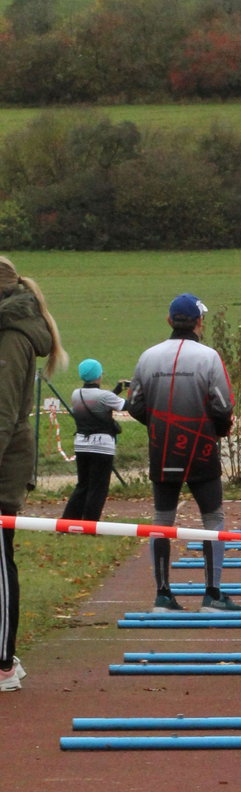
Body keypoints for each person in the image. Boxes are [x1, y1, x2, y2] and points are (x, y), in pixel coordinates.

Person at [126, 294, 237, 613]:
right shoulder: (209, 357)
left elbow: (134, 404)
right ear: (199, 322)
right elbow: (223, 407)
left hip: (162, 449)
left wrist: (158, 423)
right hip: (202, 449)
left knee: (162, 519)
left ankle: (162, 596)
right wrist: (217, 430)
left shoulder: (148, 357)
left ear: (169, 321)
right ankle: (212, 594)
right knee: (213, 518)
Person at [0, 258, 64, 692]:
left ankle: (4, 663)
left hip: (4, 468)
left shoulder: (11, 336)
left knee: (0, 562)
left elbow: (2, 415)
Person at [61, 359, 126, 522]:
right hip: (102, 446)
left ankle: (68, 521)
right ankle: (90, 524)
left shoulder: (76, 394)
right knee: (98, 488)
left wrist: (116, 391)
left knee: (83, 485)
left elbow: (98, 402)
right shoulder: (105, 396)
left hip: (81, 444)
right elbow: (124, 406)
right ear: (98, 375)